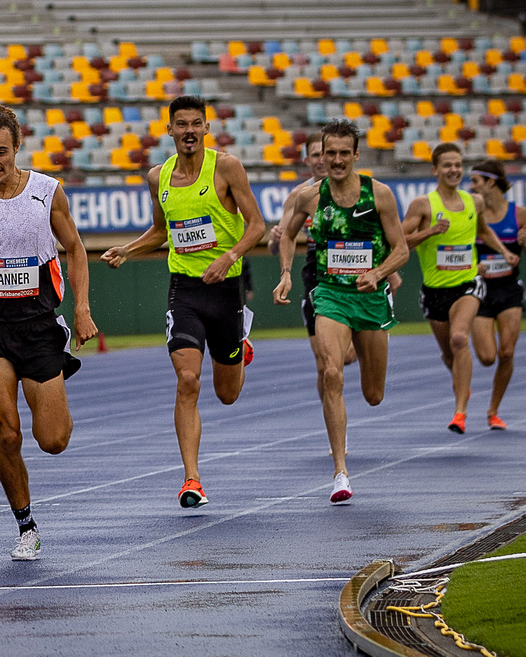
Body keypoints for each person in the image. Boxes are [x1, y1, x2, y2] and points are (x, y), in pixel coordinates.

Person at [0, 104, 97, 560]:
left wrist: (82, 309)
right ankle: (26, 526)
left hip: (40, 325)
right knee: (7, 432)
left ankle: (55, 391)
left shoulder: (48, 193)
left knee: (53, 440)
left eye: (0, 152)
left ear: (17, 145)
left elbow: (76, 250)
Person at [101, 95, 265, 510]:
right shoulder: (159, 177)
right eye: (181, 124)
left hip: (225, 289)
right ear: (170, 130)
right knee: (187, 380)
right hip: (185, 291)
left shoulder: (226, 167)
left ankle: (239, 346)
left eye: (196, 123)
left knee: (227, 395)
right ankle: (191, 479)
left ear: (206, 128)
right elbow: (160, 231)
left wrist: (229, 256)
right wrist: (129, 249)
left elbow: (258, 226)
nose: (189, 131)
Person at [272, 119, 409, 504]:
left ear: (355, 155)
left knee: (373, 394)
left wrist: (379, 273)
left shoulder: (379, 195)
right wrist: (285, 273)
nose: (335, 160)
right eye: (329, 152)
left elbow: (401, 249)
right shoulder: (310, 197)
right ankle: (340, 471)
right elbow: (286, 234)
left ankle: (344, 457)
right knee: (331, 371)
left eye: (343, 153)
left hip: (370, 298)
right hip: (330, 293)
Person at [402, 143, 517, 434]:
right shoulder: (422, 205)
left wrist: (503, 252)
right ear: (435, 170)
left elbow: (482, 231)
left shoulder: (474, 202)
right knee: (450, 355)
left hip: (467, 285)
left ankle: (460, 413)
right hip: (434, 291)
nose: (453, 170)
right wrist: (430, 231)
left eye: (458, 165)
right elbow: (399, 241)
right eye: (447, 165)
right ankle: (460, 383)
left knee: (458, 338)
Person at [268, 133, 363, 401]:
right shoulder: (300, 195)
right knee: (326, 364)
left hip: (356, 270)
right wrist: (276, 242)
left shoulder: (361, 190)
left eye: (326, 153)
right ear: (307, 159)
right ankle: (332, 424)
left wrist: (388, 272)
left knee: (351, 361)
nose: (322, 160)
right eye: (315, 155)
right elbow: (280, 242)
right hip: (317, 272)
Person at [469, 160, 526, 431]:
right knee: (487, 357)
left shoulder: (519, 215)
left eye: (475, 182)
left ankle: (493, 411)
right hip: (481, 292)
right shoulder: (471, 213)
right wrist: (472, 266)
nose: (471, 187)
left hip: (509, 291)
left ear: (491, 182)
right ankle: (460, 374)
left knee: (506, 352)